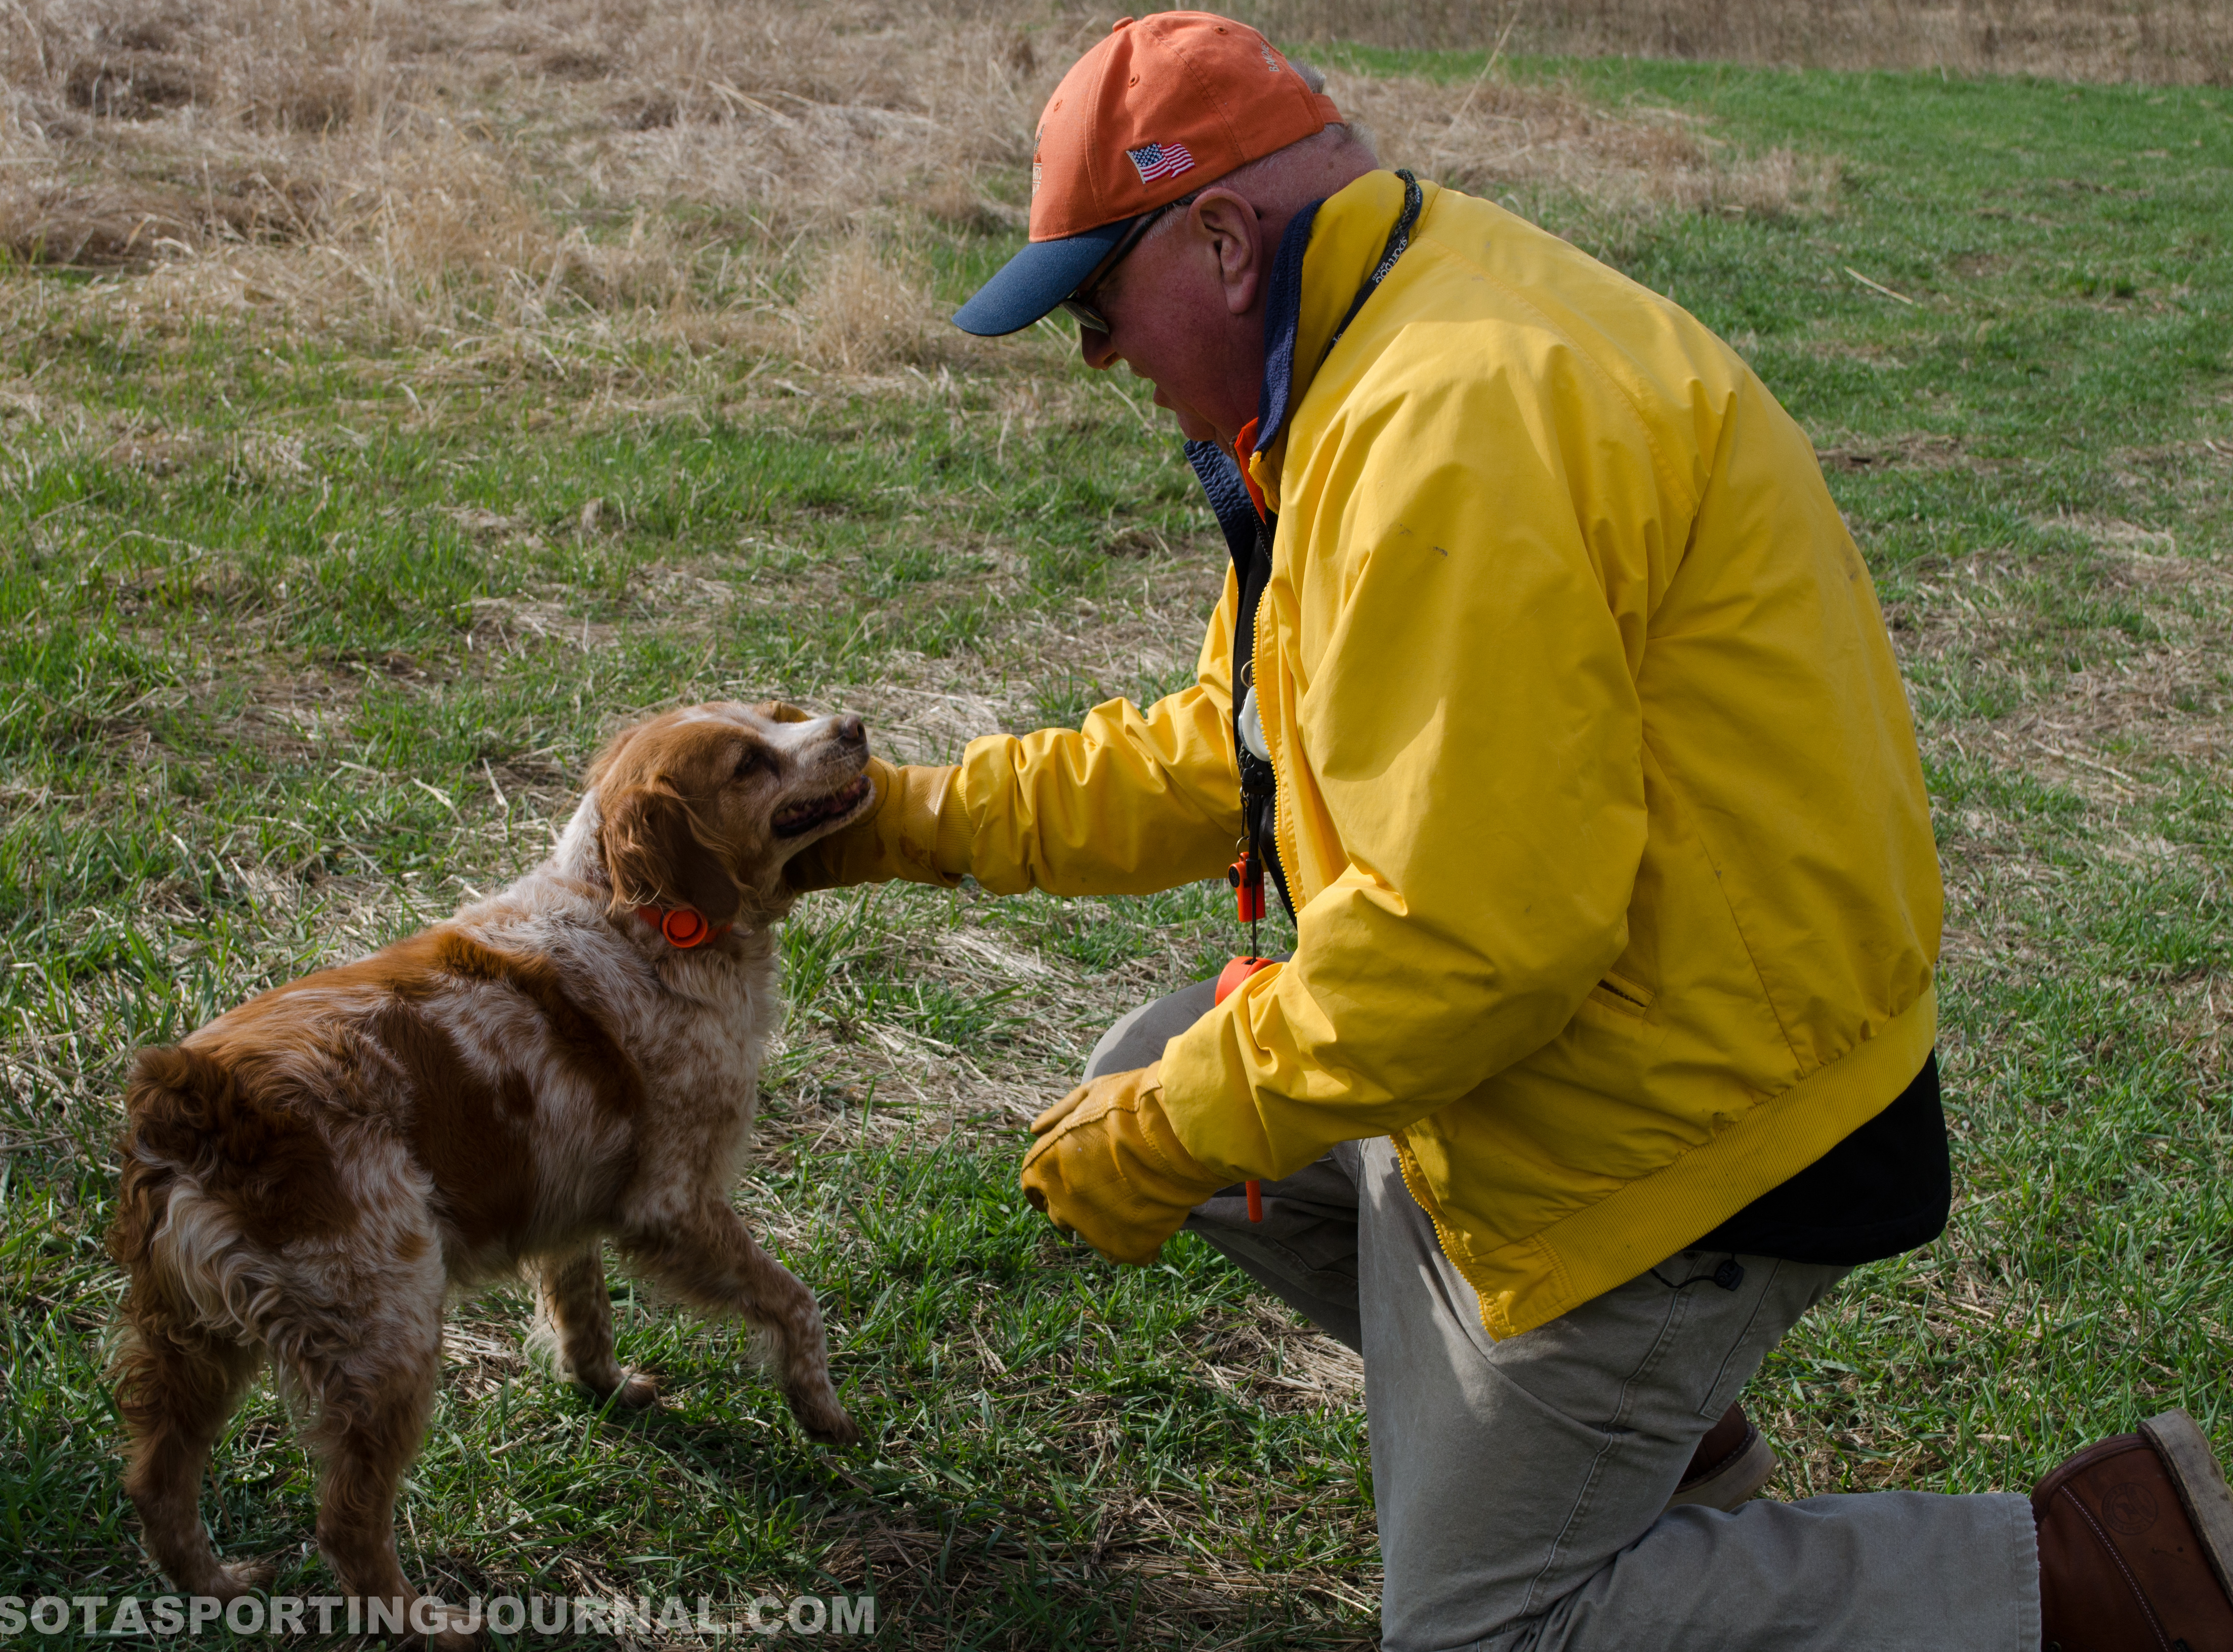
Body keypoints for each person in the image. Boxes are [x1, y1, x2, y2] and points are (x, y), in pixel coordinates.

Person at [791, 13, 2233, 1648]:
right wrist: (914, 824)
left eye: (1099, 307)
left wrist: (1181, 1126)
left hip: (1683, 1116)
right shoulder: (1368, 359)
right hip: (1620, 1029)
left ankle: (2097, 1582)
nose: (1099, 356)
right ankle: (1660, 1465)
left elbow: (1472, 950)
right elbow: (1253, 750)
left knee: (1491, 1632)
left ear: (1218, 236)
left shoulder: (1445, 427)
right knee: (1157, 1065)